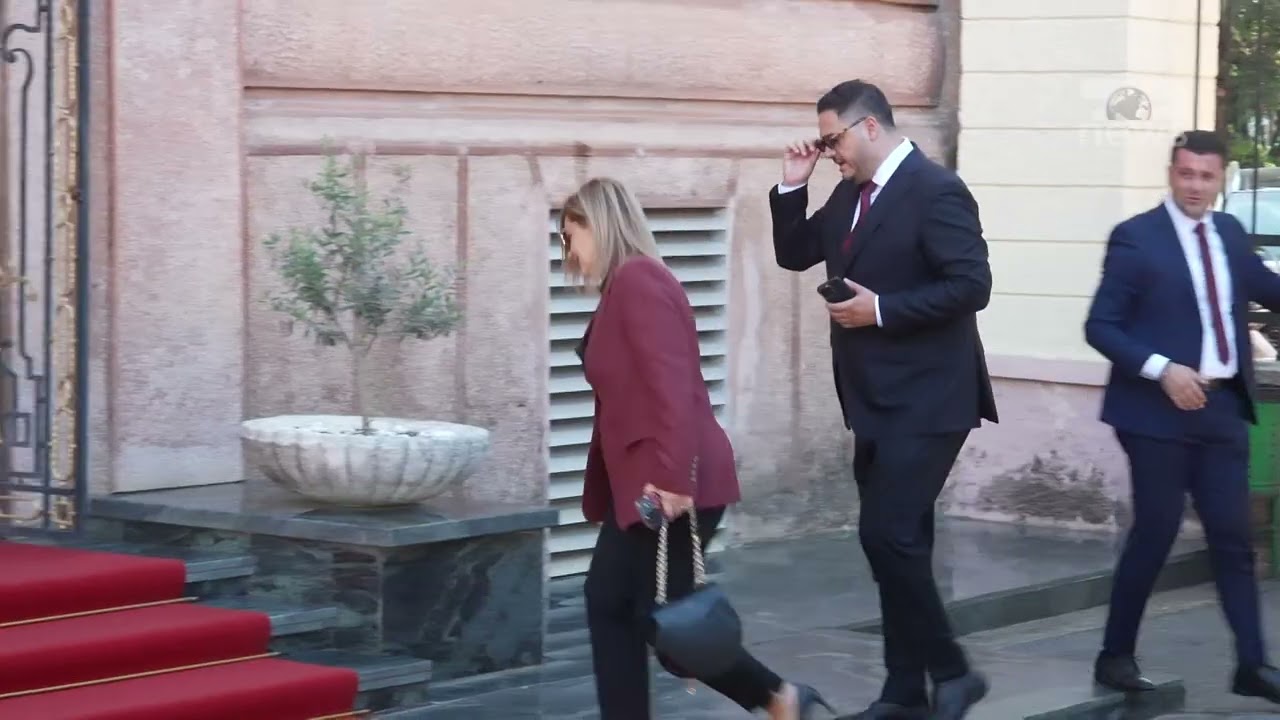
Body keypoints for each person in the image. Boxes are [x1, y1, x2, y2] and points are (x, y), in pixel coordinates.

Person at [563, 177, 834, 720]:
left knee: (664, 622)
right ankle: (778, 698)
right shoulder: (622, 286)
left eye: (571, 236)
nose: (567, 251)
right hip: (645, 484)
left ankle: (779, 696)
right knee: (617, 606)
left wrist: (672, 480)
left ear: (600, 225)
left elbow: (674, 387)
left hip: (669, 481)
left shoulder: (639, 281)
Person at [769, 79, 997, 720]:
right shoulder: (848, 193)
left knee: (885, 534)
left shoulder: (937, 190)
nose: (828, 151)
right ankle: (903, 691)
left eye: (832, 140)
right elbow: (795, 253)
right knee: (902, 546)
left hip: (932, 397)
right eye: (822, 143)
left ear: (870, 126)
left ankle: (953, 672)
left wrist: (882, 310)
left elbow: (972, 285)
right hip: (873, 399)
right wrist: (792, 186)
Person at [1084, 130, 1280, 703]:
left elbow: (1268, 289)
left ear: (1221, 179)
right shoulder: (1136, 237)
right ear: (1172, 173)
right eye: (1186, 173)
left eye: (1206, 176)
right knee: (1157, 529)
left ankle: (1252, 665)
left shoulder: (1229, 233)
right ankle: (1115, 655)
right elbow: (1101, 326)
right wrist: (1162, 369)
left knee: (1233, 538)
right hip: (1155, 413)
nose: (1195, 186)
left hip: (1221, 409)